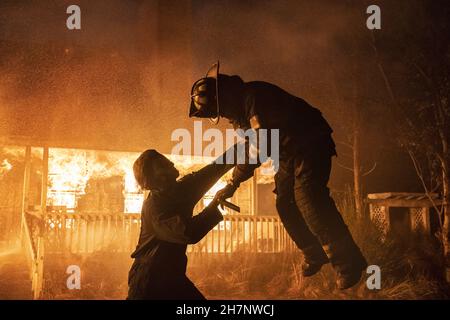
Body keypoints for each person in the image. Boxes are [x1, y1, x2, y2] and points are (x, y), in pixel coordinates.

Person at [188, 67, 367, 289]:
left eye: (219, 109)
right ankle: (314, 253)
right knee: (285, 204)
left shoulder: (254, 98)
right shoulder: (241, 115)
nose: (222, 115)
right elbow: (252, 149)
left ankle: (348, 262)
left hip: (310, 142)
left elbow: (260, 147)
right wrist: (232, 182)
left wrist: (234, 182)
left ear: (222, 95)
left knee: (309, 197)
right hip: (288, 154)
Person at [127, 149, 233, 299]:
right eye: (162, 164)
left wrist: (248, 143)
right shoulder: (155, 207)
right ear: (155, 179)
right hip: (149, 280)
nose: (170, 162)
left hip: (172, 276)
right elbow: (187, 233)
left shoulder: (183, 189)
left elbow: (217, 167)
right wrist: (213, 205)